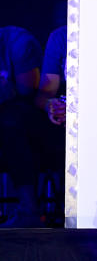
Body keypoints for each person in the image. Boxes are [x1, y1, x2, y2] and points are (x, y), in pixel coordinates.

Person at [0, 26, 43, 227]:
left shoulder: (19, 43)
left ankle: (29, 210)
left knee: (10, 120)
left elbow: (28, 90)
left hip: (33, 114)